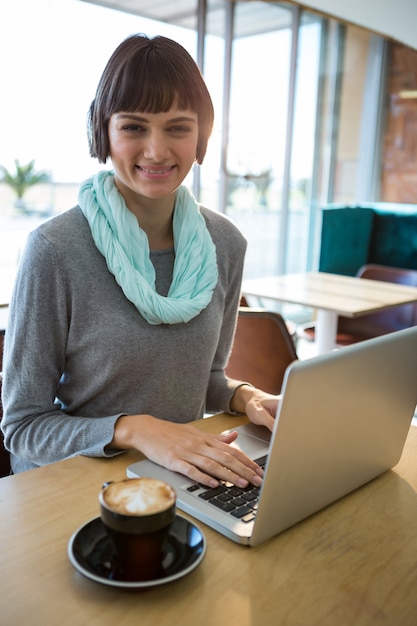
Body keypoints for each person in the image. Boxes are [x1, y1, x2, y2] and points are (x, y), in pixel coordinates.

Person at [1, 34, 279, 487]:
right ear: (104, 131)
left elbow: (199, 379)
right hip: (70, 489)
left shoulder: (225, 244)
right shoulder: (53, 249)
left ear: (202, 135)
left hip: (177, 480)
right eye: (134, 127)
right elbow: (24, 427)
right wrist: (136, 429)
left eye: (178, 127)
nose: (156, 151)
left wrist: (245, 398)